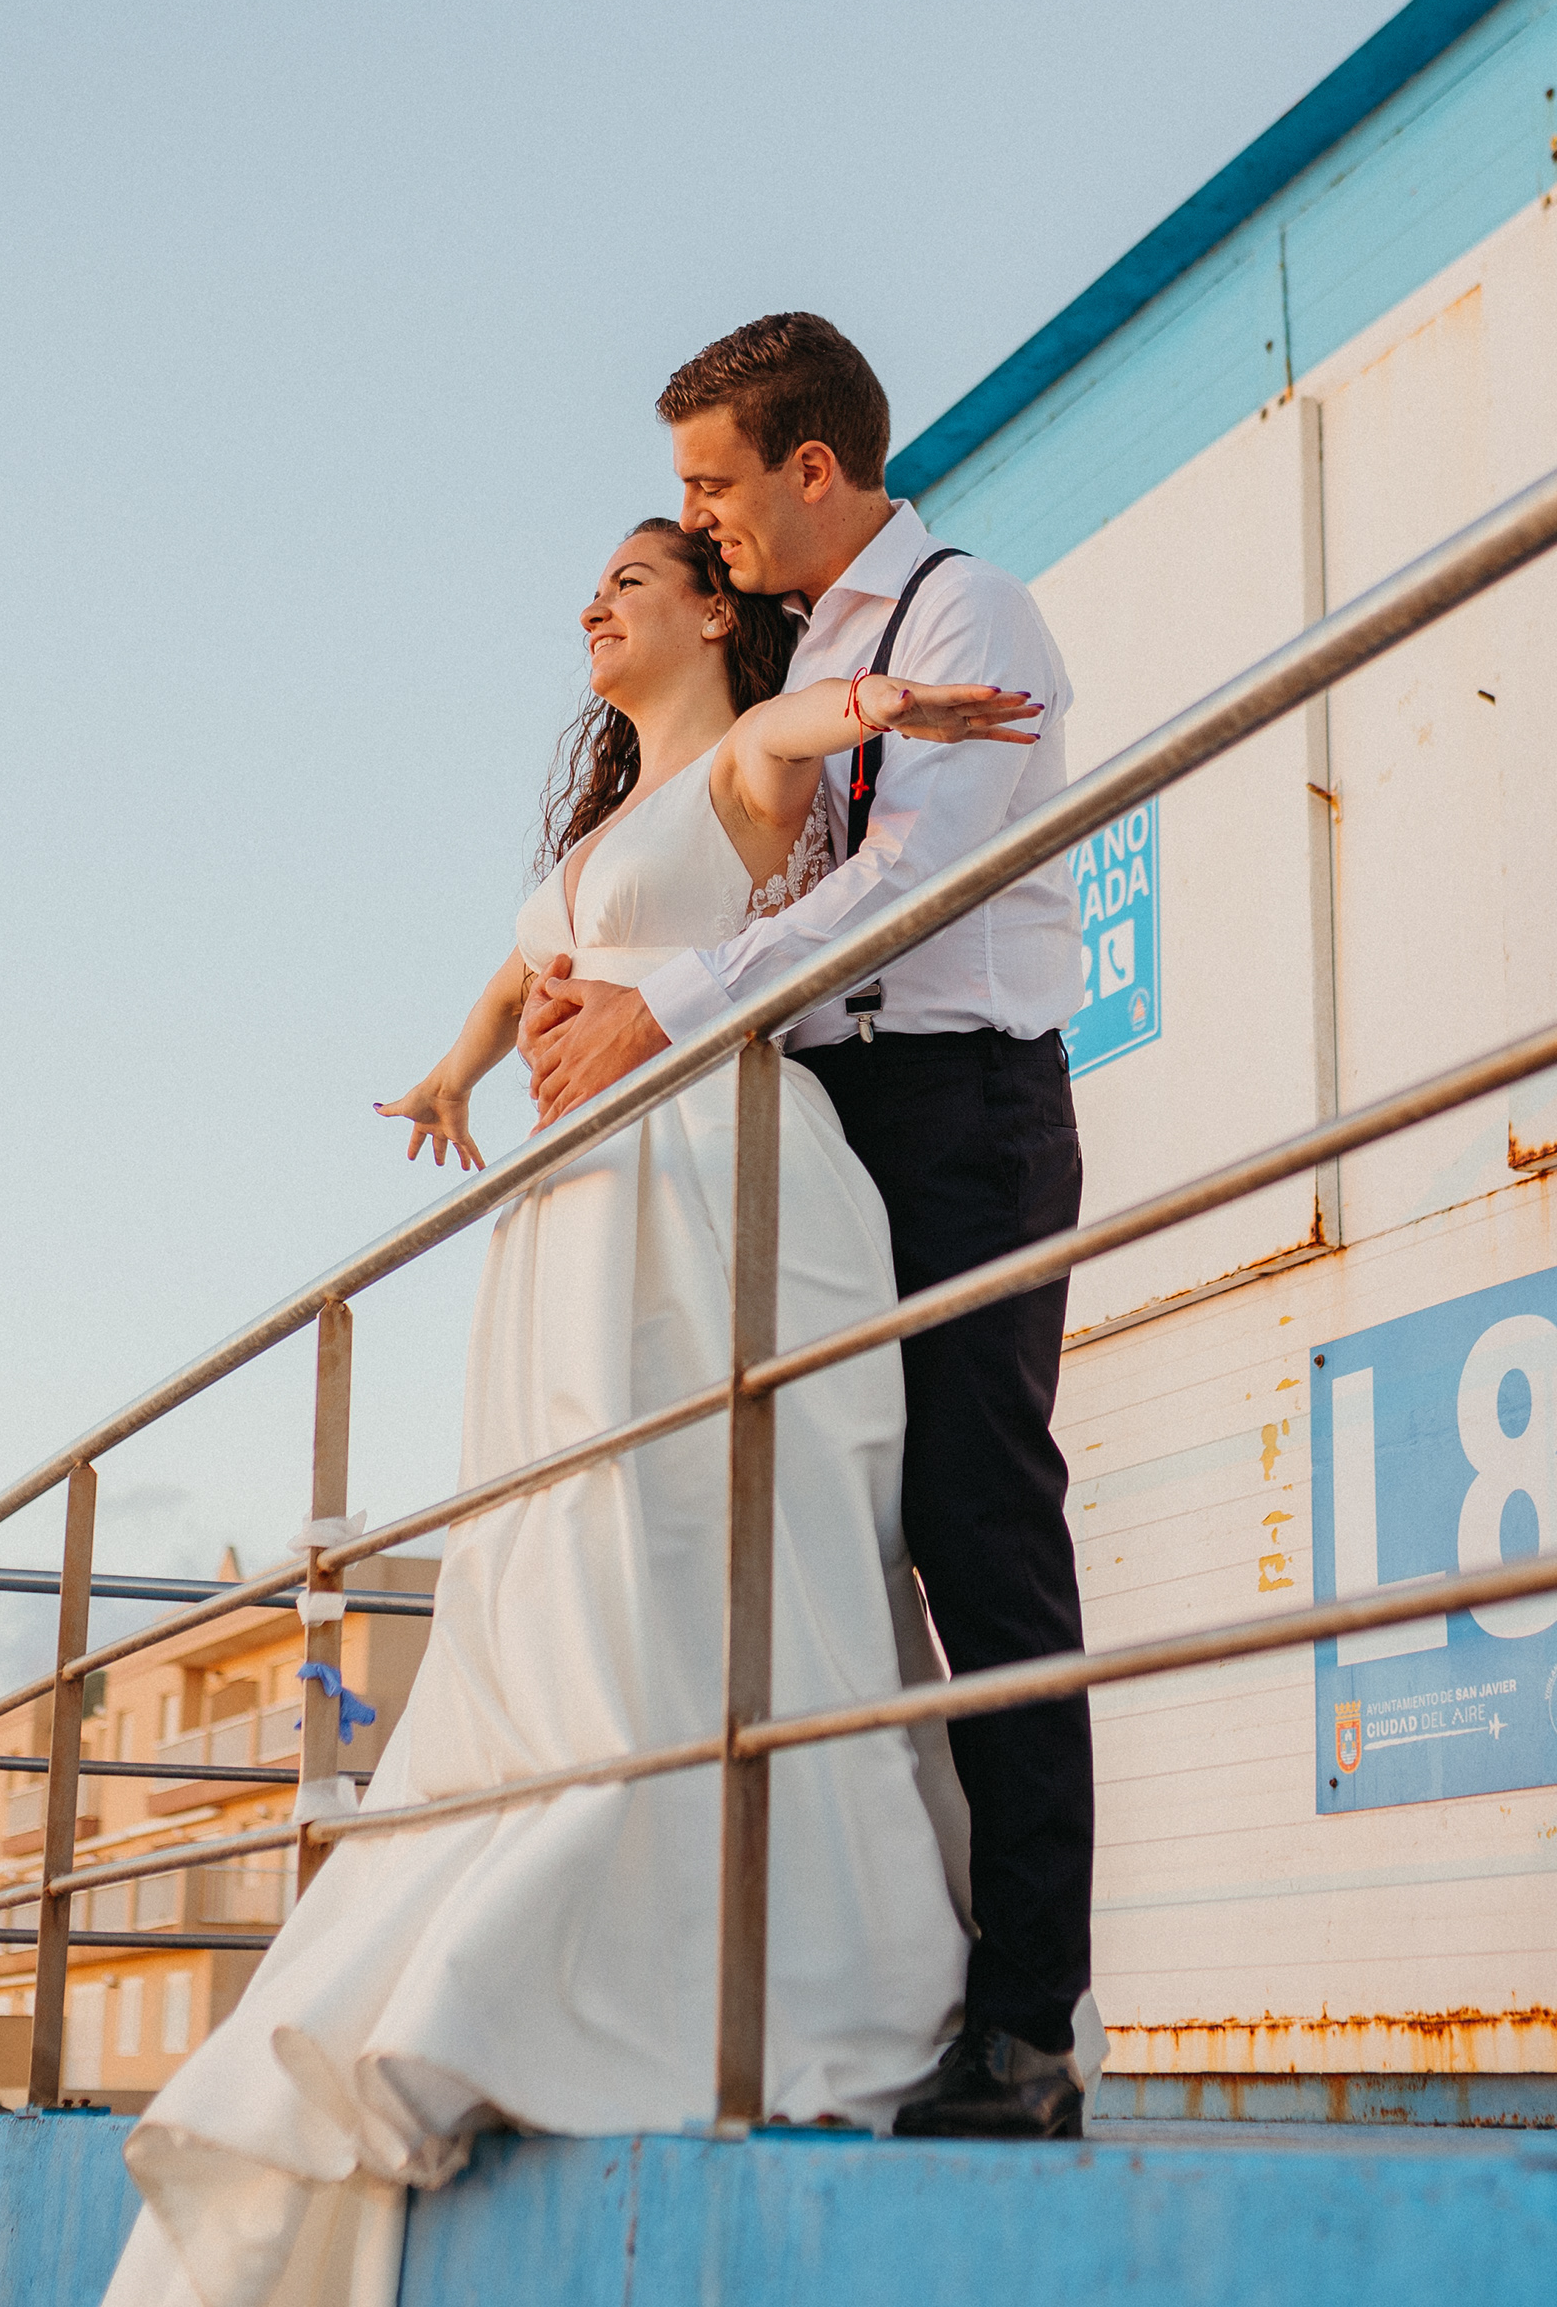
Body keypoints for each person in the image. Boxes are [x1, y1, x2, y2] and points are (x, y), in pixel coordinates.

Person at [97, 519, 1042, 2307]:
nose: (592, 608)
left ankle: (769, 1940)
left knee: (720, 1533)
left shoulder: (744, 769)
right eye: (592, 591)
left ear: (712, 613)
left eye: (629, 581)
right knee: (575, 1547)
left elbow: (796, 730)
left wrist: (886, 699)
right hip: (582, 1211)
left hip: (713, 1180)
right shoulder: (599, 842)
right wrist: (452, 1074)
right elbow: (516, 959)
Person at [522, 312, 1096, 2143]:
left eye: (712, 483)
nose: (699, 518)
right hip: (826, 1128)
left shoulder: (963, 616)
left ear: (813, 467)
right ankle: (858, 1990)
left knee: (980, 1531)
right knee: (826, 1545)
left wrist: (668, 1006)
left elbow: (904, 887)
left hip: (964, 1114)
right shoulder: (808, 654)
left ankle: (1027, 2024)